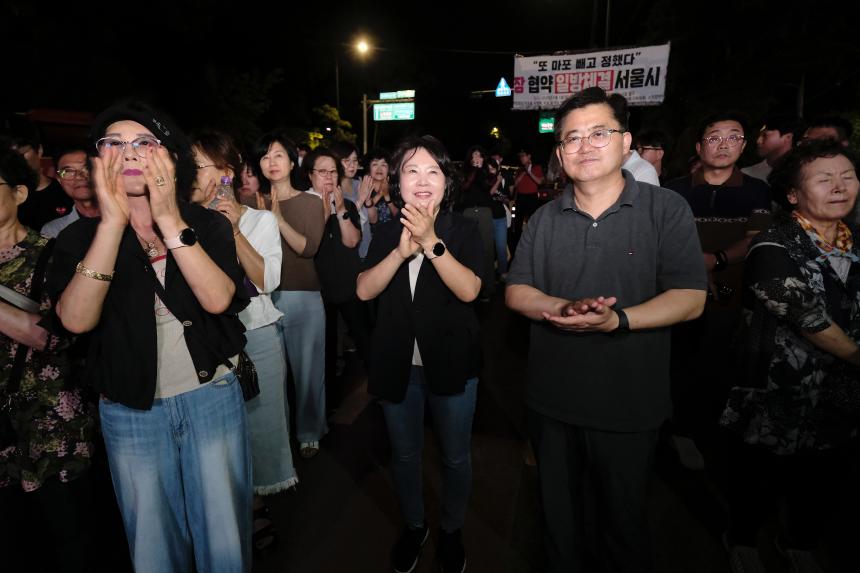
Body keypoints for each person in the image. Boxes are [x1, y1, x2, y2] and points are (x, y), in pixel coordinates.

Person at [505, 87, 707, 573]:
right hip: (553, 402)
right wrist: (565, 306)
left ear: (626, 143)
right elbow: (516, 292)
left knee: (623, 525)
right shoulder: (544, 219)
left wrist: (619, 319)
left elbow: (691, 298)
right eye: (571, 138)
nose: (585, 145)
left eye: (599, 133)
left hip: (630, 402)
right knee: (559, 525)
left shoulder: (666, 209)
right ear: (559, 154)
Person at [47, 101, 252, 572]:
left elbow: (219, 300)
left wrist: (168, 219)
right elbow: (75, 321)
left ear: (168, 156)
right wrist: (114, 222)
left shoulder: (205, 224)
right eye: (113, 144)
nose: (129, 152)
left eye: (144, 142)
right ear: (100, 162)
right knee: (154, 544)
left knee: (223, 539)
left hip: (210, 394)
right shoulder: (78, 241)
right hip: (130, 408)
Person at [719, 140, 860, 573]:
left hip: (840, 395)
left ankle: (798, 541)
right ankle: (740, 539)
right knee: (763, 476)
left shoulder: (855, 246)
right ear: (794, 194)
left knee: (822, 478)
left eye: (848, 176)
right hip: (778, 389)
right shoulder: (773, 247)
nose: (839, 187)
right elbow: (807, 317)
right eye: (824, 179)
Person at [356, 135, 483, 573]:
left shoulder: (463, 229)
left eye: (433, 171)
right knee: (405, 455)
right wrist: (399, 252)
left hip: (452, 364)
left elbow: (470, 289)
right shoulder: (388, 230)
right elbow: (363, 289)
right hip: (397, 365)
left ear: (447, 182)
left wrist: (431, 242)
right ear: (398, 181)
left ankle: (451, 529)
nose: (423, 180)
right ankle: (415, 526)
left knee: (454, 456)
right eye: (412, 170)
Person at [189, 129, 295, 554]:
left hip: (256, 336)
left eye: (200, 165)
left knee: (258, 428)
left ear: (226, 174)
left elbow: (268, 280)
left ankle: (255, 505)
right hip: (207, 344)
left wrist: (233, 229)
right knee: (217, 440)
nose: (191, 174)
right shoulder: (182, 223)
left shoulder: (260, 220)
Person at [0, 146, 96, 572]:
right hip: (1, 428)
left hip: (47, 420)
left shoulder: (51, 253)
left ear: (20, 193)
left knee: (66, 534)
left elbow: (51, 336)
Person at [664, 112, 772, 471]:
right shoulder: (675, 190)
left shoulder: (758, 191)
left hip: (734, 291)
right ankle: (679, 431)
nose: (723, 144)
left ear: (743, 144)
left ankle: (714, 432)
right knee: (680, 357)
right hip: (682, 287)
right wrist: (695, 263)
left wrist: (717, 259)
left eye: (733, 137)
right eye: (714, 137)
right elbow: (664, 239)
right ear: (699, 146)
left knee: (722, 359)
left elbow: (757, 238)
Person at [252, 130, 327, 460]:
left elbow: (307, 248)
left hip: (303, 298)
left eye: (278, 154)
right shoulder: (247, 203)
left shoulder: (311, 201)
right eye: (265, 156)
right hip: (263, 299)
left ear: (292, 161)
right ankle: (277, 440)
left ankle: (310, 431)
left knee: (309, 372)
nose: (272, 162)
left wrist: (276, 217)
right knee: (271, 378)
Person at [304, 148, 370, 396]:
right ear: (310, 175)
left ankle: (377, 384)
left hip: (348, 282)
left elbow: (352, 241)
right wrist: (323, 208)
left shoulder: (348, 205)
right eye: (322, 172)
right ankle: (329, 394)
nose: (329, 177)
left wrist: (340, 208)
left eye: (333, 171)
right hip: (318, 287)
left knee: (362, 334)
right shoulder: (304, 203)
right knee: (327, 344)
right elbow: (311, 243)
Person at [7, 122, 73, 230]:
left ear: (39, 150)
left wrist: (42, 242)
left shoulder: (65, 192)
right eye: (10, 156)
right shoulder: (6, 196)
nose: (16, 161)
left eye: (21, 154)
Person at [459, 148, 496, 299]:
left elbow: (488, 186)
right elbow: (465, 187)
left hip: (484, 212)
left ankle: (487, 289)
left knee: (487, 250)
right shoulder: (466, 170)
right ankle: (467, 286)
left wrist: (483, 170)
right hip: (467, 212)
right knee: (468, 249)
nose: (477, 157)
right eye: (474, 154)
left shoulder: (486, 171)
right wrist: (474, 169)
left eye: (480, 155)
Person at [41, 147, 100, 238]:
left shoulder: (125, 216)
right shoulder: (52, 231)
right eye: (68, 171)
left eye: (87, 168)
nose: (79, 177)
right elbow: (35, 250)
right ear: (59, 180)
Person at [740, 115, 804, 183]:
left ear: (788, 137)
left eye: (765, 136)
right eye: (760, 135)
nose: (758, 141)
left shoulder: (802, 173)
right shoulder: (747, 175)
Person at [511, 146, 544, 242]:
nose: (521, 158)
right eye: (520, 156)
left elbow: (540, 182)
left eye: (523, 156)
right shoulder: (519, 170)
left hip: (532, 197)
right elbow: (515, 184)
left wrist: (530, 172)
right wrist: (524, 172)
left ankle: (533, 241)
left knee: (532, 222)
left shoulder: (537, 167)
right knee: (518, 223)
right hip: (521, 198)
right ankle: (517, 243)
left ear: (529, 156)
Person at [487, 158, 510, 279]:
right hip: (488, 218)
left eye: (493, 168)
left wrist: (503, 199)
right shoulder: (486, 181)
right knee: (489, 248)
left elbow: (507, 198)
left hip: (501, 217)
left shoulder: (502, 181)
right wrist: (497, 182)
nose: (492, 171)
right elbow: (490, 192)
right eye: (489, 169)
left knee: (501, 247)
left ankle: (503, 272)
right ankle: (489, 274)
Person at [363, 148, 398, 225]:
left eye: (384, 165)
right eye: (375, 164)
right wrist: (380, 194)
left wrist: (387, 197)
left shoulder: (395, 187)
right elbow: (362, 214)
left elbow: (399, 217)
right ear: (369, 168)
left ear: (389, 169)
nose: (379, 169)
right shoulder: (363, 187)